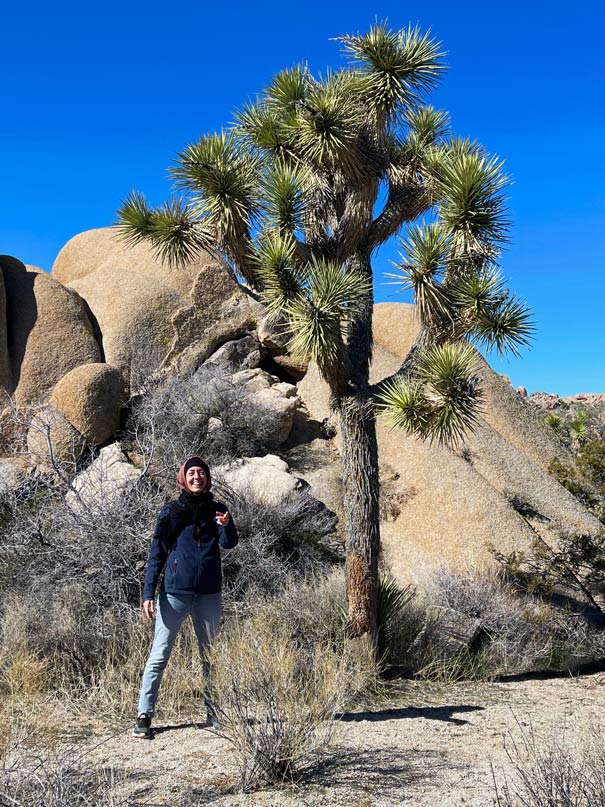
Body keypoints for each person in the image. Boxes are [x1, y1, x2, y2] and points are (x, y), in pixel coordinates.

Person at [133, 456, 238, 739]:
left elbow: (229, 544)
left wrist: (227, 525)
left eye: (201, 473)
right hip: (173, 595)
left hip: (208, 594)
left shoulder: (218, 510)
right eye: (191, 473)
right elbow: (157, 554)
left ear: (207, 478)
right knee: (160, 654)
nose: (196, 477)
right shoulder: (171, 512)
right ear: (183, 477)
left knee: (210, 655)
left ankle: (214, 712)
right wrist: (148, 593)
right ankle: (144, 715)